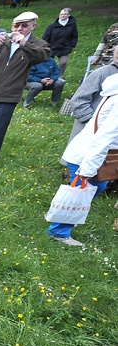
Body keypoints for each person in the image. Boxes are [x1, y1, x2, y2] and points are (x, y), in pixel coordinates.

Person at [0, 11, 50, 168]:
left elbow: (42, 56)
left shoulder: (37, 44)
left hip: (8, 96)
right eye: (16, 25)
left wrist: (24, 44)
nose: (19, 29)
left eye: (24, 25)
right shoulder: (2, 40)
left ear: (33, 26)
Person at [46, 76, 118, 246]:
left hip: (93, 153)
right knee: (82, 192)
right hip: (88, 154)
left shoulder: (114, 92)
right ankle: (59, 231)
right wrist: (88, 169)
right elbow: (104, 136)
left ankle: (61, 214)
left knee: (95, 187)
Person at [62, 56, 118, 154]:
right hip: (90, 129)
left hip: (111, 134)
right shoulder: (102, 73)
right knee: (80, 163)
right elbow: (78, 100)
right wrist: (92, 122)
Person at [42, 8, 79, 76]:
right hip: (51, 47)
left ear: (68, 15)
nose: (62, 15)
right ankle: (47, 75)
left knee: (63, 62)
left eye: (65, 14)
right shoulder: (52, 26)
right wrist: (46, 46)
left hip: (64, 48)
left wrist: (72, 45)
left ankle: (60, 76)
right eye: (61, 14)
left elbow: (74, 36)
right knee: (48, 63)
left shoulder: (72, 25)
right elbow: (45, 37)